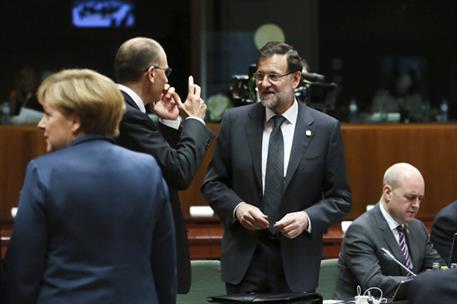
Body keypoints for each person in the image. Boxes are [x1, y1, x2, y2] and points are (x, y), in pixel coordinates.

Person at [2, 69, 176, 304]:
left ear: (74, 121)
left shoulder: (44, 172)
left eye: (48, 114)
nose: (42, 124)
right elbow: (164, 265)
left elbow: (23, 269)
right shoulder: (148, 170)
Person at [202, 41, 352, 293]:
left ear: (295, 79)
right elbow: (213, 183)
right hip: (245, 261)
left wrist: (307, 218)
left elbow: (341, 198)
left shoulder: (325, 129)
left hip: (296, 263)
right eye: (259, 76)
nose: (263, 83)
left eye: (273, 76)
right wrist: (238, 208)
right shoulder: (234, 122)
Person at [114, 37, 213, 294]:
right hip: (139, 254)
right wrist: (194, 121)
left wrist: (169, 124)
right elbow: (179, 173)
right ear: (151, 73)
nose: (167, 80)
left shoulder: (121, 109)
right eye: (166, 71)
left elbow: (161, 167)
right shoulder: (128, 115)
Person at [335, 163, 443, 300]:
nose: (416, 205)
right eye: (410, 197)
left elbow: (438, 268)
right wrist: (422, 282)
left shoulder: (418, 228)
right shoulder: (361, 230)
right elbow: (374, 284)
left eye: (420, 199)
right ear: (387, 193)